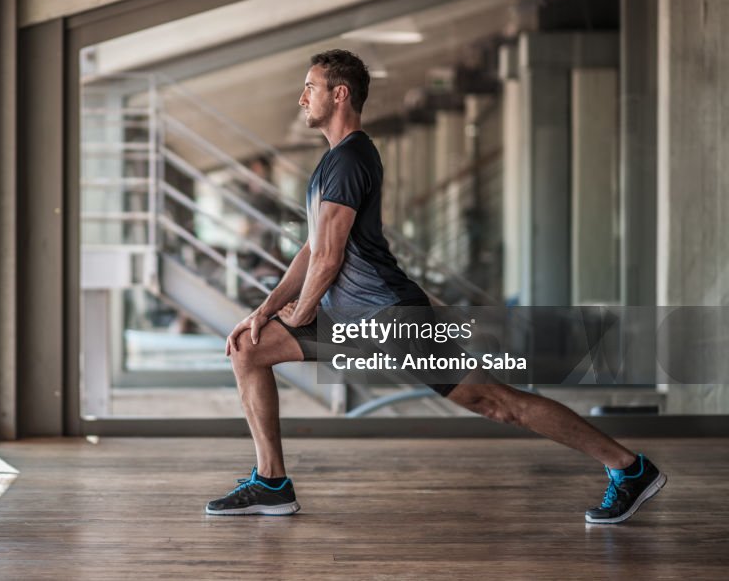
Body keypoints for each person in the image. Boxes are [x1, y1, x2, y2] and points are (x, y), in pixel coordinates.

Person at [204, 49, 665, 523]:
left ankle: (629, 468)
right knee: (248, 347)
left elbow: (328, 256)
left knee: (494, 402)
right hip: (353, 317)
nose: (302, 98)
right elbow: (310, 251)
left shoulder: (351, 159)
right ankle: (272, 482)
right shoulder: (331, 162)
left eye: (310, 87)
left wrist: (299, 314)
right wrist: (266, 310)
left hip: (390, 316)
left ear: (339, 94)